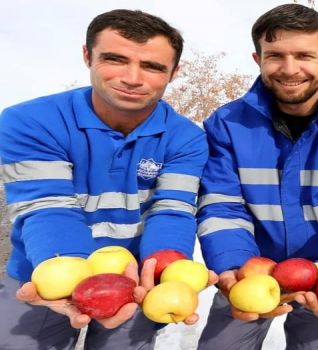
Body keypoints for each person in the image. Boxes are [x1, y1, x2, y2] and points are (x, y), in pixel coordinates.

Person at [0, 9, 212, 350]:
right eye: (115, 59)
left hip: (138, 280)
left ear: (174, 72)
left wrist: (162, 274)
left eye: (153, 66)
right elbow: (47, 206)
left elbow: (172, 209)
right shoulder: (28, 121)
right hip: (45, 272)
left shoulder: (187, 138)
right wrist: (77, 282)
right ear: (87, 56)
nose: (132, 78)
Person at [196, 3, 318, 349]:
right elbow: (222, 205)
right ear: (258, 59)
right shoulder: (227, 124)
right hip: (247, 268)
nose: (290, 69)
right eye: (275, 56)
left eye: (304, 55)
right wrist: (236, 270)